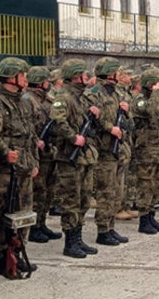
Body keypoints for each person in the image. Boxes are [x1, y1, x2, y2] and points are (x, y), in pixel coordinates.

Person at [0, 57, 40, 278]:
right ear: (12, 77)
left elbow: (31, 135)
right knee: (0, 214)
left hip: (24, 167)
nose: (26, 79)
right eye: (23, 75)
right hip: (3, 171)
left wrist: (34, 162)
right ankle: (2, 257)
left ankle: (18, 252)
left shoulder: (24, 101)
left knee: (23, 212)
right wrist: (5, 152)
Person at [48, 59, 100, 258]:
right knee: (71, 200)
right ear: (76, 75)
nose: (87, 78)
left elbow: (83, 119)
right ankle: (70, 242)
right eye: (84, 75)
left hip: (84, 157)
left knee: (84, 199)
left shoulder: (81, 97)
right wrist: (73, 137)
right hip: (69, 158)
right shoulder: (64, 96)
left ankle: (78, 238)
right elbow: (57, 121)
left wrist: (93, 112)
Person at [88, 57, 131, 246]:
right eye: (115, 72)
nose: (118, 75)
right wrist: (109, 128)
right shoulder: (95, 92)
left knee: (115, 191)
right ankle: (103, 229)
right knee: (105, 192)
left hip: (115, 149)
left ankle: (110, 227)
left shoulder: (114, 93)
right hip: (103, 148)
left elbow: (124, 120)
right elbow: (93, 120)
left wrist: (125, 110)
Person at [24, 66, 62, 244]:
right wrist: (35, 140)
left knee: (48, 190)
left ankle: (41, 222)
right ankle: (33, 227)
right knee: (38, 191)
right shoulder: (28, 100)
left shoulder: (46, 99)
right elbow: (26, 124)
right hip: (37, 152)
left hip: (49, 151)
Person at [130, 69, 159, 234]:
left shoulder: (157, 100)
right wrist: (155, 93)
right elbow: (150, 111)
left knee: (157, 183)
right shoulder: (140, 100)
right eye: (156, 83)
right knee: (145, 185)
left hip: (158, 149)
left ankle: (151, 215)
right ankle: (144, 219)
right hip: (146, 150)